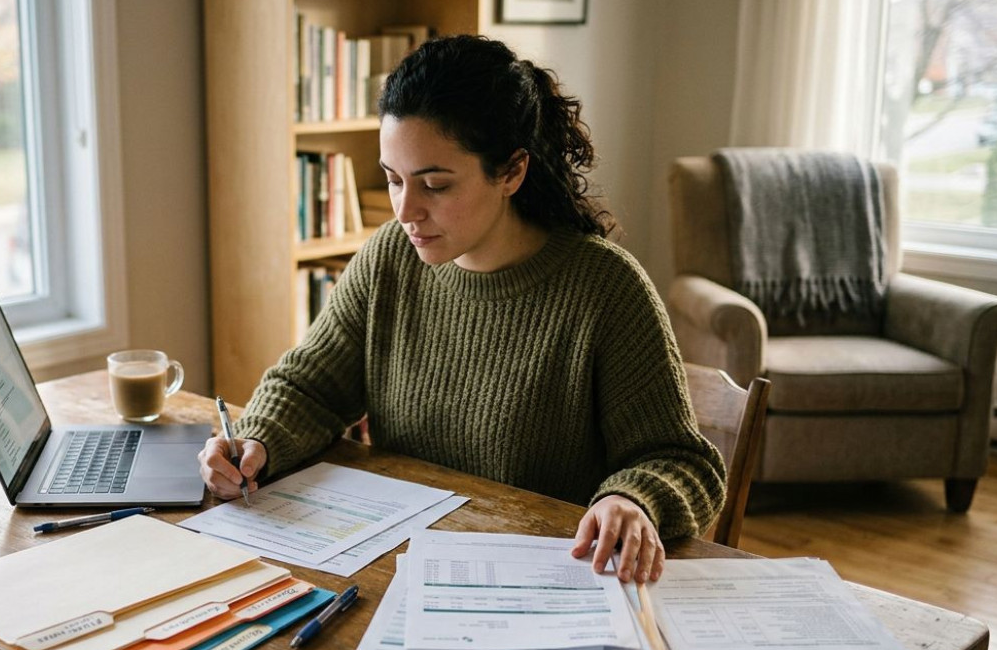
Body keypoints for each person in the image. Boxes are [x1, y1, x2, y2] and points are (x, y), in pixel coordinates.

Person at [199, 35, 724, 584]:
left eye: (435, 184)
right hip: (395, 571)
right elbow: (310, 387)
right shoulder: (389, 258)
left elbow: (683, 461)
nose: (406, 210)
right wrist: (256, 439)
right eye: (393, 178)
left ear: (512, 172)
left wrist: (632, 499)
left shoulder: (605, 289)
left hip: (545, 585)